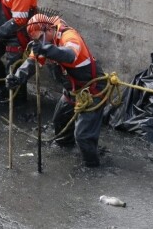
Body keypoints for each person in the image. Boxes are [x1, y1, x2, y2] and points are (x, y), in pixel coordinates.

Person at [6, 13, 106, 167]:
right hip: (71, 91)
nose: (39, 42)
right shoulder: (43, 43)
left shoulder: (69, 37)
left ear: (50, 29)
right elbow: (31, 63)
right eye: (36, 40)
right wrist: (18, 77)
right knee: (59, 123)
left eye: (41, 38)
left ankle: (91, 166)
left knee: (83, 136)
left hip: (92, 90)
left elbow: (69, 55)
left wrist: (46, 49)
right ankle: (66, 148)